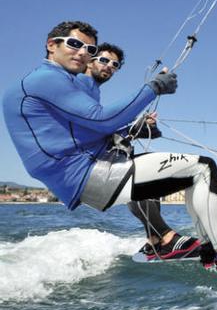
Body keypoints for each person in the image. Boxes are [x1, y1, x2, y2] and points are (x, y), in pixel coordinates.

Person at [2, 21, 217, 275]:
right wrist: (153, 88)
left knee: (189, 174)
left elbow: (86, 131)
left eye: (90, 49)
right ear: (51, 45)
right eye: (75, 44)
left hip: (84, 175)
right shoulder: (48, 79)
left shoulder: (54, 81)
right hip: (88, 175)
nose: (83, 53)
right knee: (203, 168)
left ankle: (209, 244)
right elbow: (102, 119)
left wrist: (134, 129)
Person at [79, 43, 203, 261]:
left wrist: (142, 126)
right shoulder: (78, 87)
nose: (109, 66)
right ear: (89, 60)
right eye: (104, 60)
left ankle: (154, 239)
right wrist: (153, 89)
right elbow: (99, 123)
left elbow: (108, 126)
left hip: (104, 162)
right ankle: (167, 237)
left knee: (151, 181)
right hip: (90, 170)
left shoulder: (92, 94)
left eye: (115, 64)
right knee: (143, 179)